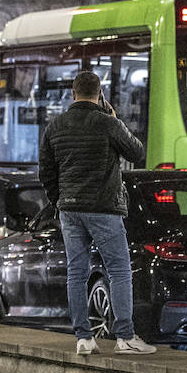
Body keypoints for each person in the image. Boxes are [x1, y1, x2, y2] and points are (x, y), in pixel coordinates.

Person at [38, 70, 154, 356]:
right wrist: (114, 119)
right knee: (119, 270)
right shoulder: (107, 124)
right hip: (103, 208)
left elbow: (46, 172)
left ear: (73, 93)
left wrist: (59, 199)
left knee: (76, 273)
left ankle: (83, 338)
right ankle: (125, 337)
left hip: (70, 209)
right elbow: (137, 152)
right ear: (99, 94)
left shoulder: (56, 126)